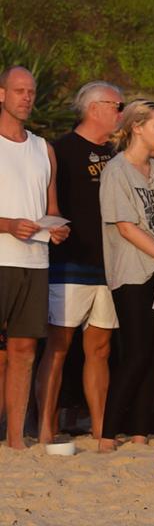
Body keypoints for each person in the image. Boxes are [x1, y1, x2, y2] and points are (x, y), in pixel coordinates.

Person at [36, 80, 123, 445]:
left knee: (100, 348)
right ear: (94, 108)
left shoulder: (119, 156)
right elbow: (45, 204)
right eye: (118, 106)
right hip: (70, 263)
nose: (122, 113)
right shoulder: (61, 151)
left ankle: (101, 427)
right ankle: (44, 426)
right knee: (59, 345)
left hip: (110, 265)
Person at [0, 66, 70, 449]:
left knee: (24, 349)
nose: (26, 97)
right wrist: (8, 224)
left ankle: (15, 440)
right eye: (19, 90)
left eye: (31, 91)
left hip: (35, 262)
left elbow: (52, 208)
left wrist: (56, 228)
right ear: (2, 94)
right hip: (1, 256)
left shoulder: (44, 148)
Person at [98, 100, 154, 451]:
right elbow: (127, 228)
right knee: (137, 352)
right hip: (132, 273)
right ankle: (108, 434)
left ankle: (142, 431)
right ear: (138, 127)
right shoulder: (116, 171)